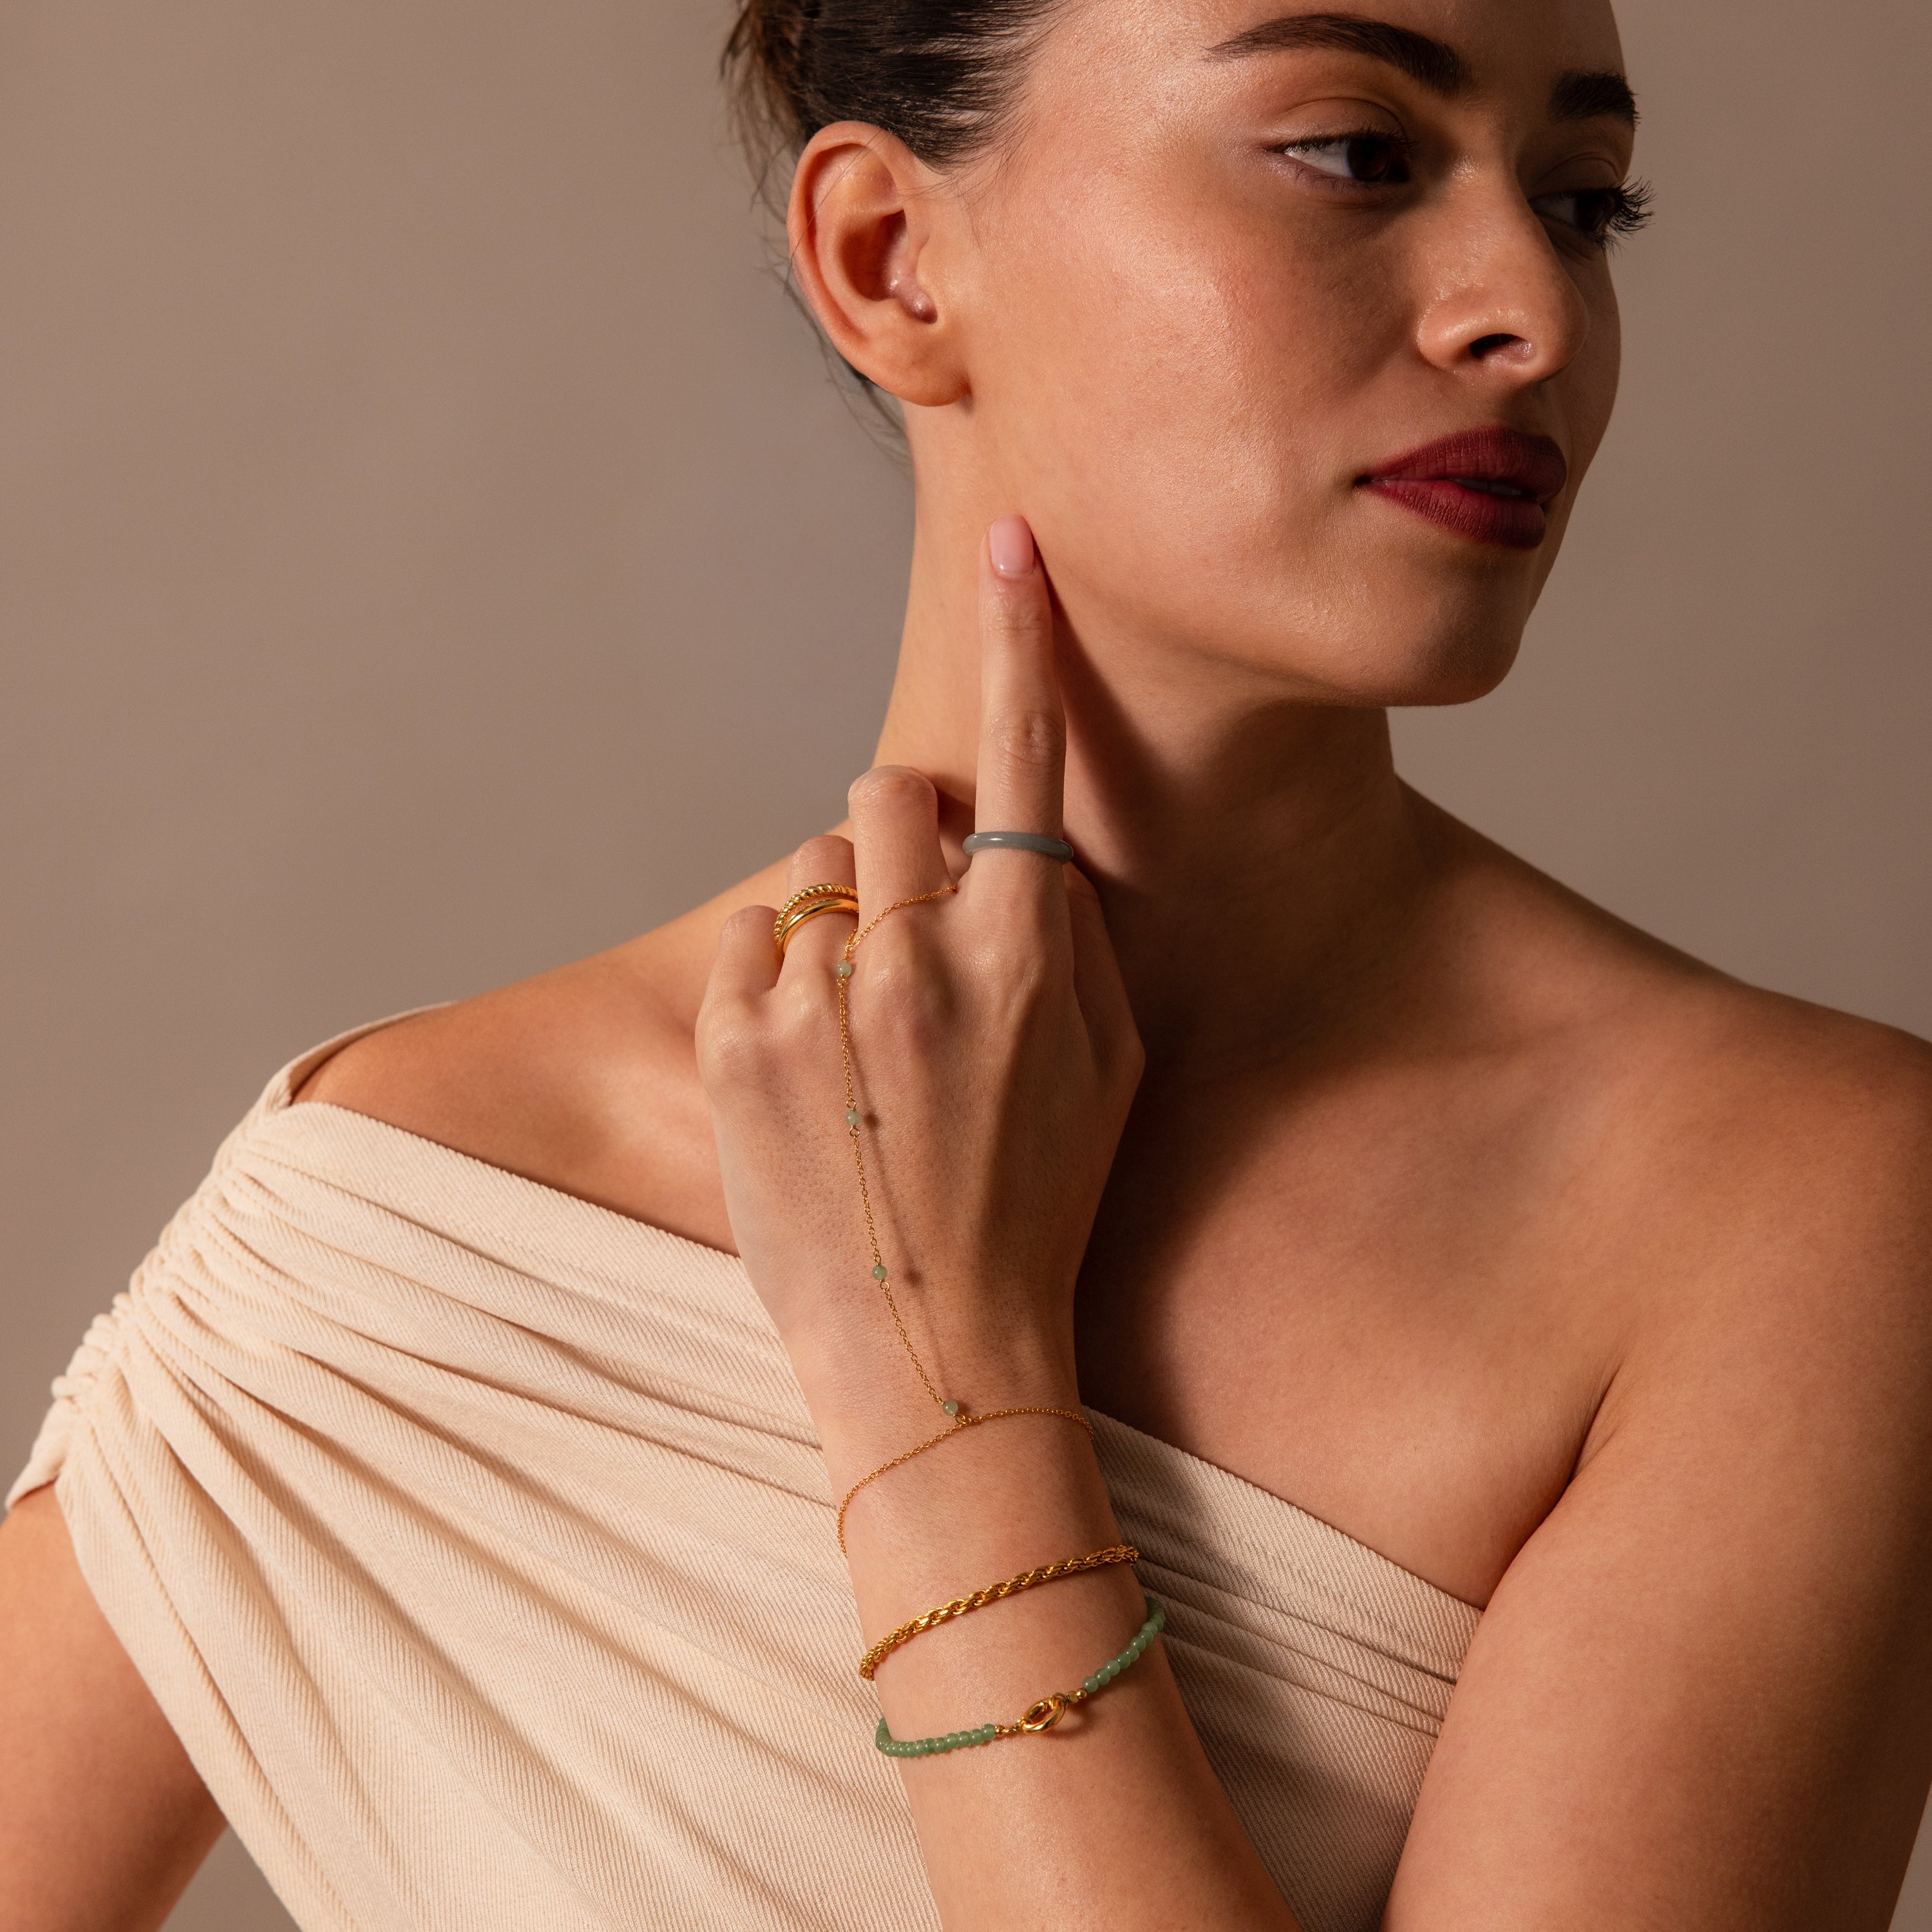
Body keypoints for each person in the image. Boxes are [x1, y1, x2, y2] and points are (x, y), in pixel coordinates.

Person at [4, 0, 1930, 1926]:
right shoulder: (393, 1239)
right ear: (891, 260)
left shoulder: (1802, 1214)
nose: (1531, 309)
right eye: (1357, 154)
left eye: (1591, 203)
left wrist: (946, 1407)